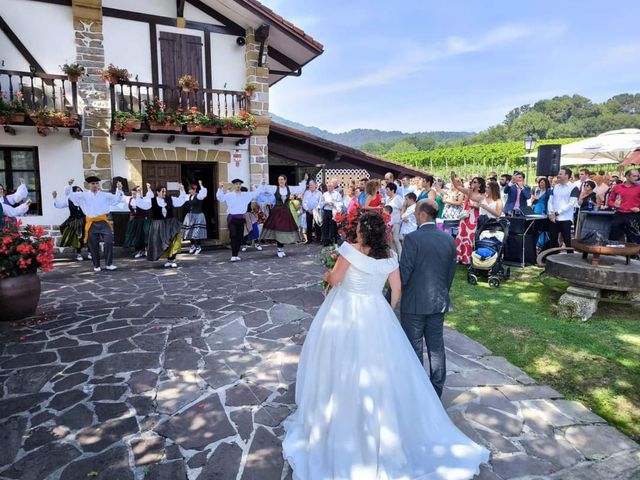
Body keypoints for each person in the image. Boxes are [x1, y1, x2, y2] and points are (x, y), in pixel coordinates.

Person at [282, 210, 489, 479]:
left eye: (357, 227)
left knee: (338, 360)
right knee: (382, 364)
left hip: (345, 310)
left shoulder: (348, 250)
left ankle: (339, 413)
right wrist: (388, 309)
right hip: (376, 310)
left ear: (362, 230)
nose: (355, 230)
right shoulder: (390, 257)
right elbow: (397, 289)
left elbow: (336, 280)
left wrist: (326, 273)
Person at [64, 176, 123, 272]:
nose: (95, 185)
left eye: (96, 183)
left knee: (108, 241)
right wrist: (69, 185)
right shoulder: (83, 195)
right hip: (91, 223)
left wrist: (119, 189)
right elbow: (70, 196)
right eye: (93, 184)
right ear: (89, 185)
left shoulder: (105, 195)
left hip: (103, 221)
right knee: (93, 245)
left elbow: (117, 199)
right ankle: (96, 265)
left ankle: (109, 264)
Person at [136, 183, 189, 268]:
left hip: (171, 223)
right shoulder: (152, 201)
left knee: (174, 240)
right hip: (158, 225)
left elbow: (181, 201)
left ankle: (172, 259)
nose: (164, 193)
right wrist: (138, 194)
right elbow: (141, 204)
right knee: (163, 242)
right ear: (157, 192)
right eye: (162, 191)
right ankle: (168, 259)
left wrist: (182, 190)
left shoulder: (170, 199)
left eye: (165, 191)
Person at [259, 173, 309, 257]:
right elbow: (264, 188)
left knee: (283, 229)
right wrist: (263, 181)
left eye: (282, 179)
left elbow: (300, 189)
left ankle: (281, 248)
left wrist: (305, 180)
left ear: (285, 180)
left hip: (285, 212)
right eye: (279, 180)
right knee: (278, 229)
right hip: (277, 212)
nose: (280, 181)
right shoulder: (275, 188)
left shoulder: (289, 189)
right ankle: (279, 249)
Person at [217, 178, 264, 262]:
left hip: (241, 218)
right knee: (233, 235)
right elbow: (220, 198)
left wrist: (260, 183)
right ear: (233, 185)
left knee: (239, 237)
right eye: (236, 184)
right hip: (232, 218)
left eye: (239, 184)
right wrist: (220, 188)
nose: (238, 185)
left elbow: (256, 193)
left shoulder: (245, 195)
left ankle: (236, 255)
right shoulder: (229, 195)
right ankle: (233, 255)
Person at [451, 174, 485, 264]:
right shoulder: (468, 191)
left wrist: (475, 205)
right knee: (461, 235)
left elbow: (483, 206)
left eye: (474, 182)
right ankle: (459, 257)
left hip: (474, 218)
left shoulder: (483, 195)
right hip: (465, 217)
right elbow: (456, 186)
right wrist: (452, 178)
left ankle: (469, 258)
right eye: (472, 182)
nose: (472, 183)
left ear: (480, 184)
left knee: (470, 237)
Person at [52, 178, 88, 261]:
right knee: (77, 238)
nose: (79, 192)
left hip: (84, 220)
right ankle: (79, 254)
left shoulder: (84, 200)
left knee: (88, 236)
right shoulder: (69, 200)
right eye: (77, 190)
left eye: (80, 190)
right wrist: (55, 198)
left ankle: (90, 253)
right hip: (74, 221)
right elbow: (59, 205)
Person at [547, 167, 579, 250]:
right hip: (553, 218)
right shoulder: (555, 187)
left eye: (560, 174)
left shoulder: (573, 188)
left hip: (565, 218)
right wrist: (551, 213)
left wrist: (557, 213)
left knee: (567, 241)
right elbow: (550, 201)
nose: (558, 175)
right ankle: (552, 257)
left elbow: (571, 204)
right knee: (553, 239)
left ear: (567, 175)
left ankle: (570, 258)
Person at [608, 168, 640, 244]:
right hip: (619, 214)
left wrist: (639, 209)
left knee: (634, 237)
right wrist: (614, 204)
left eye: (637, 176)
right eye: (634, 176)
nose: (636, 178)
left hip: (634, 215)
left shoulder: (639, 188)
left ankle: (633, 254)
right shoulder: (617, 187)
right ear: (627, 176)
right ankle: (612, 251)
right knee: (613, 234)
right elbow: (610, 201)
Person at [122, 186, 150, 259]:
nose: (133, 195)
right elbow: (121, 197)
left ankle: (145, 250)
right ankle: (139, 251)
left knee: (143, 235)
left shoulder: (143, 199)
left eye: (135, 194)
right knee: (134, 235)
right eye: (132, 194)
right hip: (134, 220)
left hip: (142, 220)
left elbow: (146, 209)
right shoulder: (130, 199)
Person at [182, 180, 208, 255]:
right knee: (190, 231)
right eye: (189, 190)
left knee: (197, 232)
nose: (189, 191)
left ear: (194, 190)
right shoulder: (189, 196)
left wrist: (201, 185)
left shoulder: (199, 196)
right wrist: (182, 188)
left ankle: (198, 247)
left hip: (198, 215)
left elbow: (204, 193)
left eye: (191, 190)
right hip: (190, 216)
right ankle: (193, 245)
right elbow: (183, 196)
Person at [319, 177, 342, 246]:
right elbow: (320, 203)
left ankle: (332, 240)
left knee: (333, 226)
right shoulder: (325, 194)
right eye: (328, 186)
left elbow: (340, 203)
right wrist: (325, 202)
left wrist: (334, 203)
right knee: (325, 226)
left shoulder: (337, 194)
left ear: (333, 187)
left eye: (331, 186)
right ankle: (325, 241)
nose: (329, 188)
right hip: (326, 211)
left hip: (333, 211)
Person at [384, 182, 404, 256]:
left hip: (396, 222)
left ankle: (400, 256)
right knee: (390, 240)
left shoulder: (398, 198)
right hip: (389, 222)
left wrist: (401, 217)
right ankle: (393, 255)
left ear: (392, 190)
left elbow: (403, 207)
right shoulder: (387, 198)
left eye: (388, 190)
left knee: (396, 239)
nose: (386, 191)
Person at [302, 179, 322, 244]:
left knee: (317, 225)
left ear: (315, 185)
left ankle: (318, 239)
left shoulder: (319, 193)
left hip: (316, 211)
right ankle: (309, 240)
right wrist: (308, 209)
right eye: (309, 185)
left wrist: (315, 210)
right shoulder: (306, 193)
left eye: (311, 185)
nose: (310, 186)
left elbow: (320, 202)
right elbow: (304, 202)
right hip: (308, 211)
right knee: (309, 225)